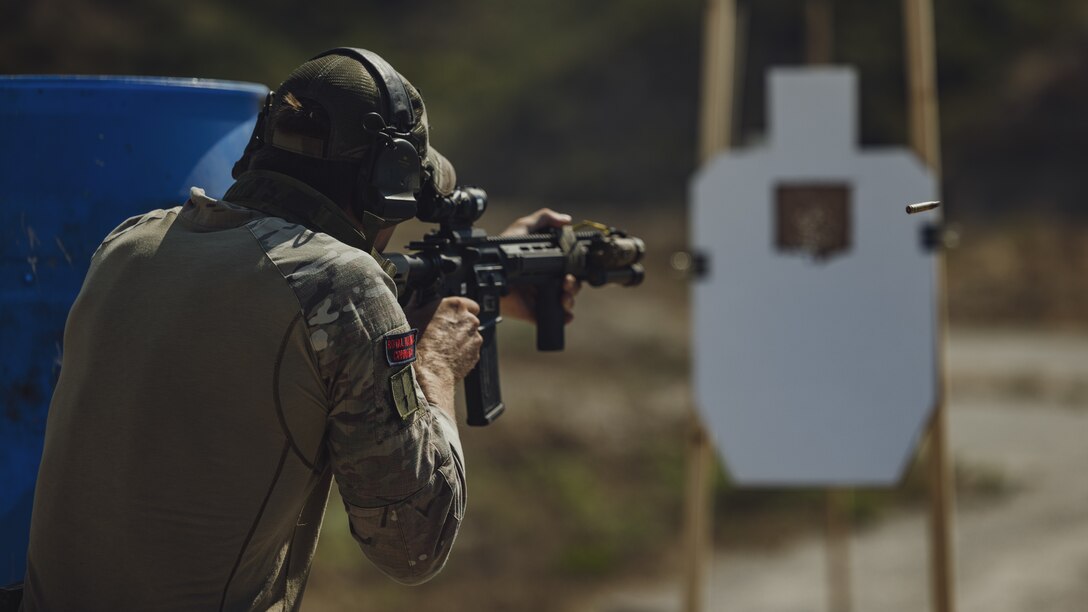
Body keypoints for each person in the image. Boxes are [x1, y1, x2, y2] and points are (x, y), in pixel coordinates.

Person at [20, 48, 578, 611]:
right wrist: (435, 365)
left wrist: (491, 268)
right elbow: (413, 546)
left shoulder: (128, 244)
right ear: (388, 180)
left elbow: (275, 314)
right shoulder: (342, 285)